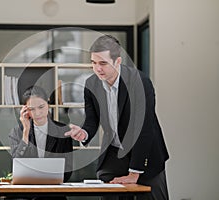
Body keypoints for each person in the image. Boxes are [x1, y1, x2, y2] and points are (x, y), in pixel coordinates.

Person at [65, 35, 169, 200]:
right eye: (93, 63)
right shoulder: (91, 84)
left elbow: (143, 128)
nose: (97, 69)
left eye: (103, 63)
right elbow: (92, 120)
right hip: (114, 155)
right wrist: (84, 133)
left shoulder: (139, 82)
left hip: (146, 154)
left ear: (118, 61)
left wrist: (134, 173)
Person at [9, 86, 73, 200]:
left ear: (48, 104)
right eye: (32, 109)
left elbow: (68, 170)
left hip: (52, 193)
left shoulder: (63, 131)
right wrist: (26, 132)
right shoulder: (17, 131)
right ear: (25, 110)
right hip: (25, 193)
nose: (37, 113)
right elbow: (16, 162)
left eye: (41, 107)